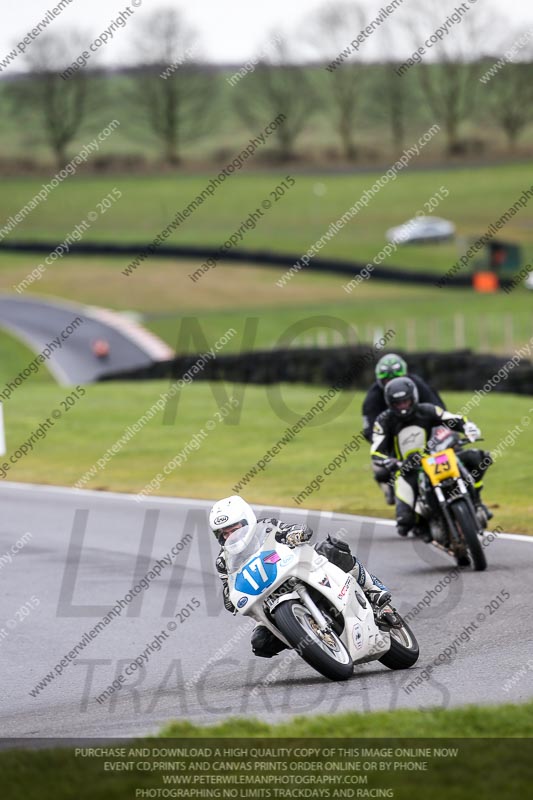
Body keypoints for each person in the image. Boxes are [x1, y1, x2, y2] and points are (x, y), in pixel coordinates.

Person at [209, 495, 400, 659]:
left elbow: (297, 529)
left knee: (331, 549)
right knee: (260, 643)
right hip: (268, 600)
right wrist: (231, 598)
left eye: (233, 529)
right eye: (223, 534)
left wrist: (296, 533)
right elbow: (229, 594)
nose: (229, 536)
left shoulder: (267, 527)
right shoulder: (223, 562)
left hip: (296, 574)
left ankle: (373, 590)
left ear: (247, 521)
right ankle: (304, 635)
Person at [370, 377, 491, 540]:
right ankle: (428, 526)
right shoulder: (383, 421)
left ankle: (476, 501)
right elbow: (376, 449)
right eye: (398, 404)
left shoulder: (428, 410)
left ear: (413, 398)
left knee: (479, 458)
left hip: (435, 458)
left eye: (406, 402)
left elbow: (452, 419)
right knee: (405, 522)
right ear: (390, 404)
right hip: (407, 469)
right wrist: (387, 461)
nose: (403, 407)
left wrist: (467, 427)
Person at [362, 354, 444, 504]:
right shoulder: (372, 398)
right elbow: (369, 430)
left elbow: (440, 409)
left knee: (455, 449)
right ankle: (395, 493)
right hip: (394, 440)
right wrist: (385, 446)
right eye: (388, 380)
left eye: (397, 378)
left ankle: (468, 490)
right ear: (380, 381)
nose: (394, 384)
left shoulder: (418, 385)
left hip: (425, 432)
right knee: (381, 470)